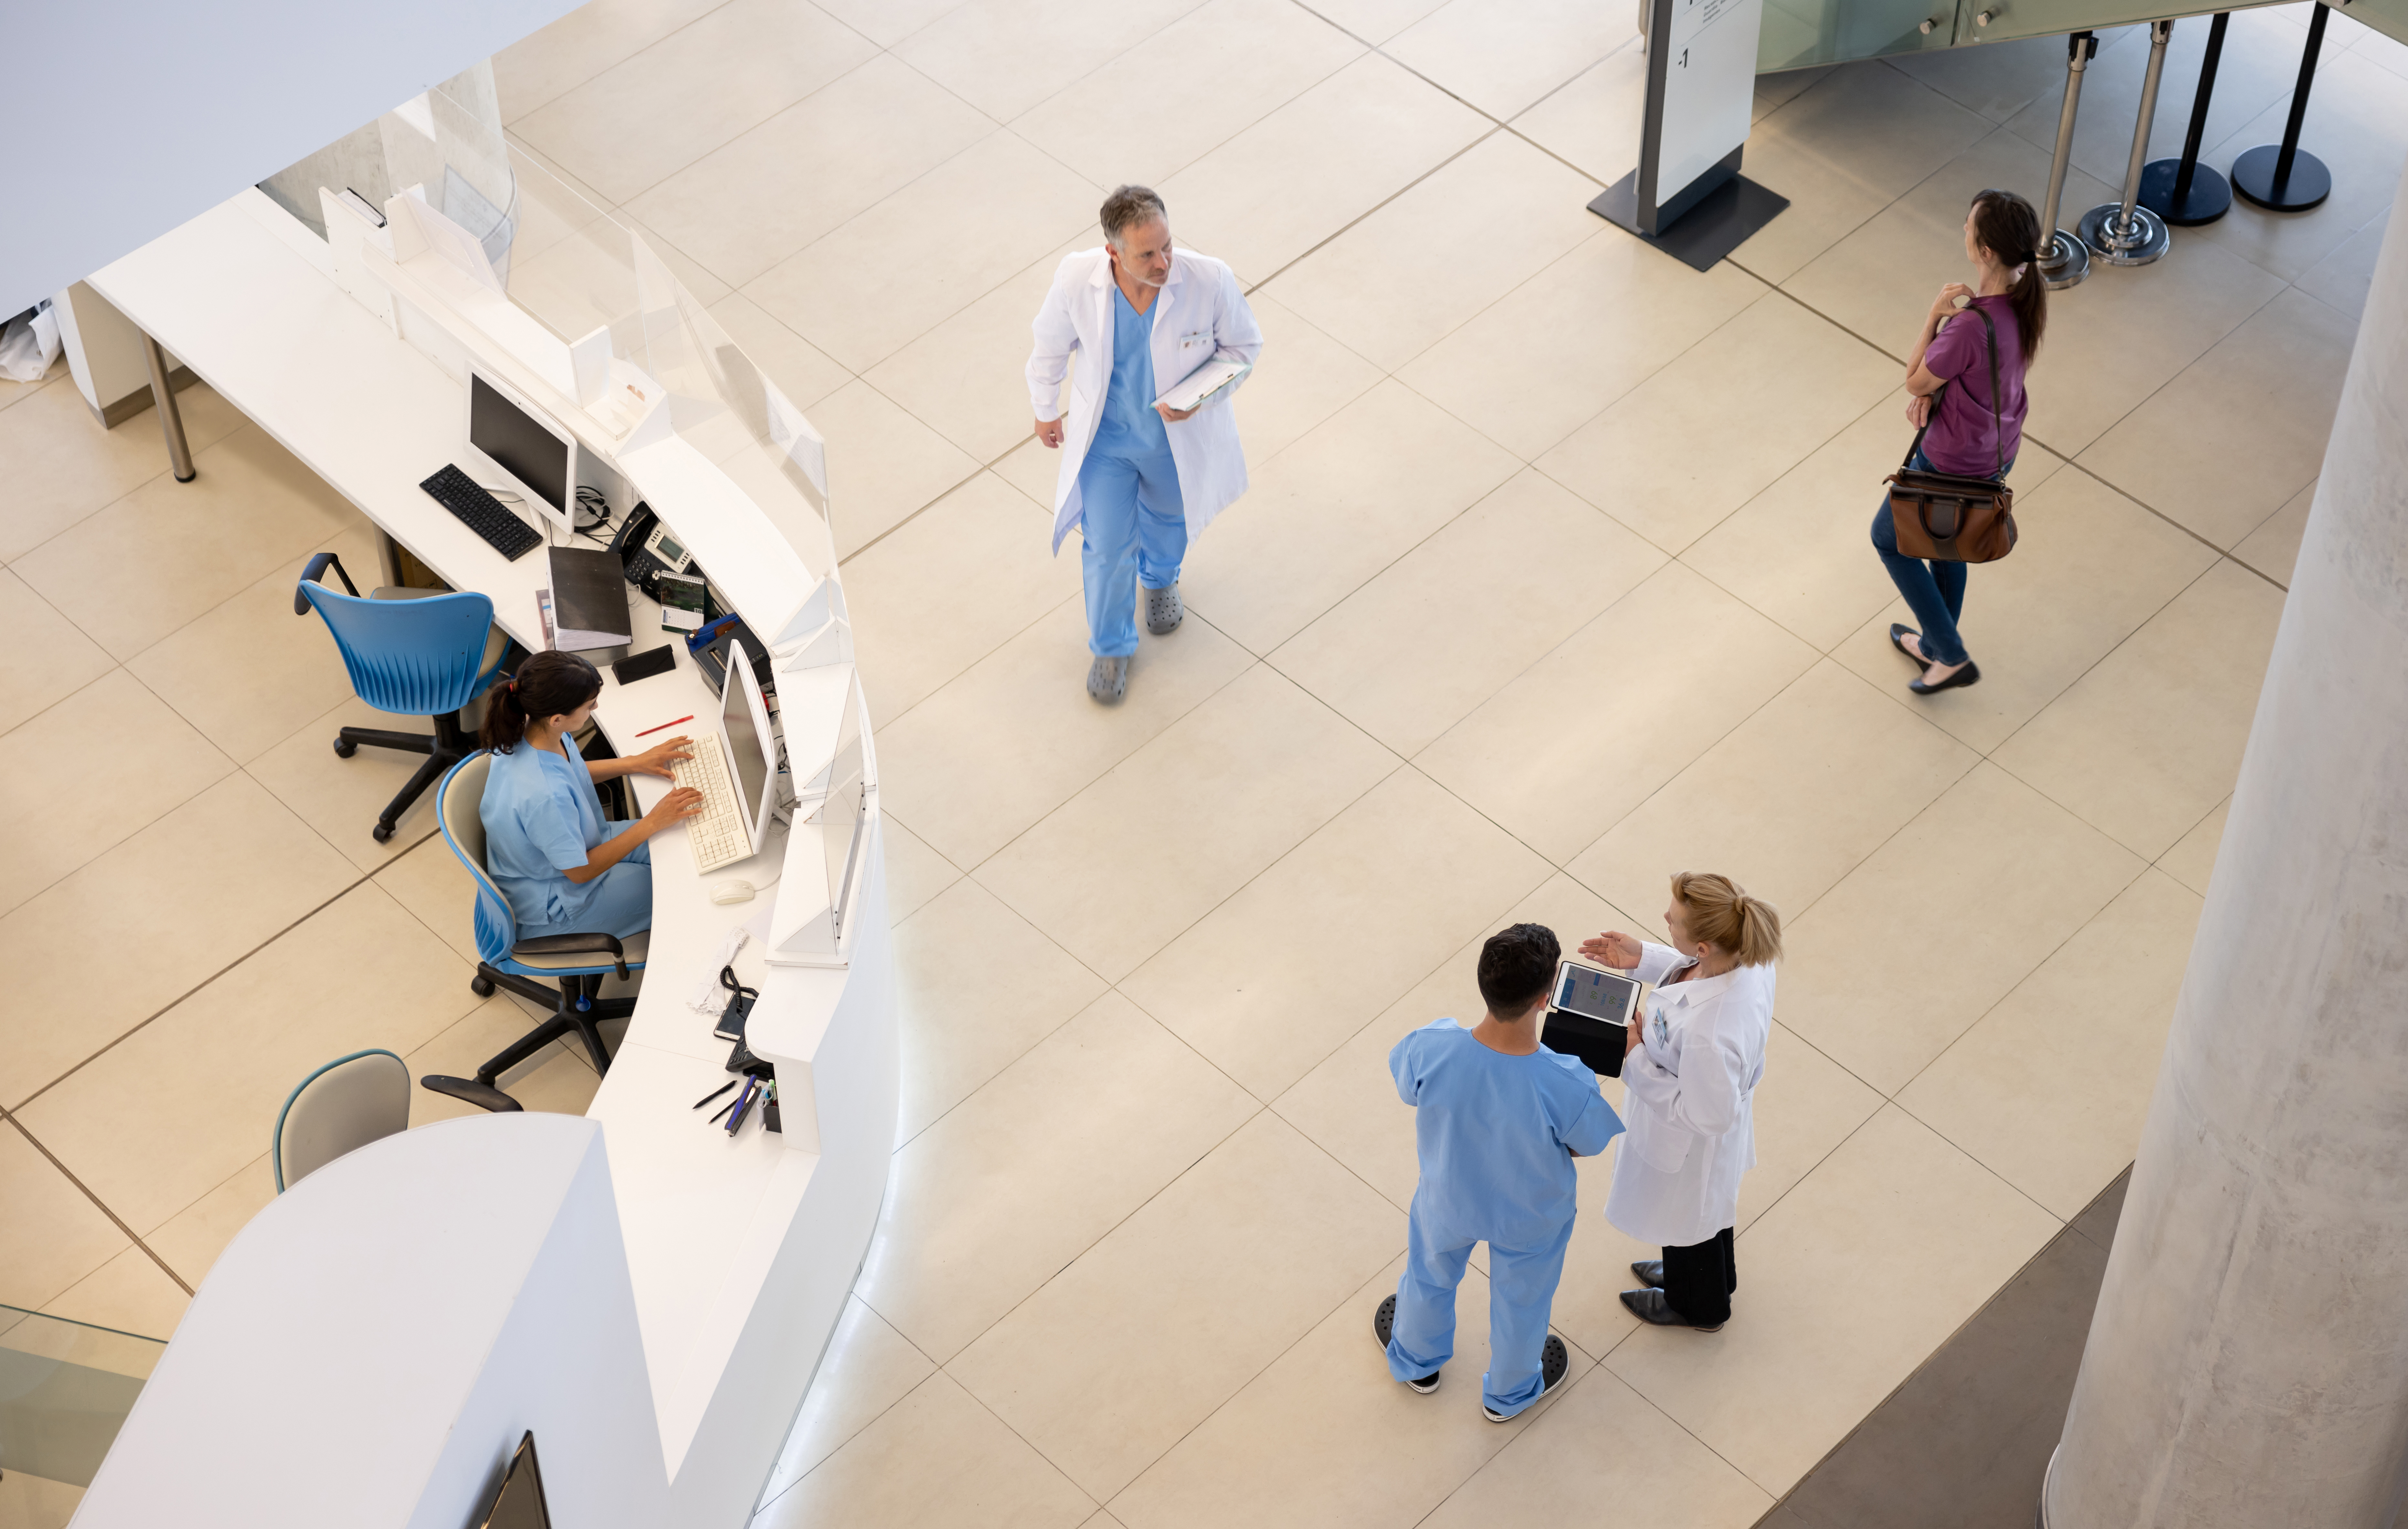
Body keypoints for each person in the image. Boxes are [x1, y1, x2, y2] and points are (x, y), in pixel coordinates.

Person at [1026, 185, 1263, 705]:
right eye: (1147, 254)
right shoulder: (1076, 278)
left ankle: (1159, 580)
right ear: (1113, 252)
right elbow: (1049, 345)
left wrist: (1200, 397)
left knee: (1169, 524)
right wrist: (1045, 407)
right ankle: (1111, 647)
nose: (1164, 263)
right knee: (1107, 545)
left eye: (1167, 246)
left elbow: (1243, 348)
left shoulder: (1208, 279)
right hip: (1107, 441)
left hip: (1174, 439)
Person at [1377, 924, 1625, 1420]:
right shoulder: (1566, 1079)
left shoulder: (1430, 1044)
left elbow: (1409, 1089)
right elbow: (1587, 1144)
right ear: (1546, 997)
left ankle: (1416, 1359)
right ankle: (1509, 1393)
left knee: (1428, 1274)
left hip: (1448, 1199)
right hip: (1529, 1216)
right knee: (1523, 1301)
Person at [1581, 873, 1781, 1332]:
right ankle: (1707, 1281)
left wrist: (1633, 1054)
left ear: (1705, 945)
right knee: (1703, 1218)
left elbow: (1704, 1115)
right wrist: (1643, 958)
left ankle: (1698, 1307)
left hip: (1690, 1143)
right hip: (1697, 1121)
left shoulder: (1713, 1034)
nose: (1666, 918)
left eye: (1675, 920)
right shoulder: (1745, 954)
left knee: (1689, 1221)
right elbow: (1693, 975)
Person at [1873, 188, 2049, 696]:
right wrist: (1943, 393)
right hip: (1996, 450)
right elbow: (1982, 375)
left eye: (1968, 225)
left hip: (1949, 461)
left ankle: (1949, 654)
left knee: (1889, 539)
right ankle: (1934, 644)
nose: (1963, 232)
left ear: (1985, 251)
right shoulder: (2023, 303)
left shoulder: (1969, 326)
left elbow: (1912, 380)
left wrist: (1933, 316)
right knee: (1944, 546)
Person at [477, 650, 703, 942]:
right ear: (558, 718)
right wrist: (652, 822)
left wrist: (635, 762)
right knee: (676, 881)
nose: (596, 707)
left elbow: (571, 772)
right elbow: (581, 872)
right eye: (590, 705)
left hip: (578, 847)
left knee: (684, 843)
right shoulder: (545, 796)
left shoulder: (534, 731)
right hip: (559, 899)